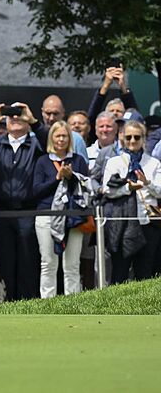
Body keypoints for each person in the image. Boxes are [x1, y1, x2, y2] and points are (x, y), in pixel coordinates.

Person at [0, 102, 44, 301]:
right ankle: (9, 300)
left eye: (19, 115)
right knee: (5, 259)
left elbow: (49, 140)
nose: (15, 118)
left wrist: (33, 120)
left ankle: (28, 300)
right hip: (1, 211)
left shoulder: (36, 144)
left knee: (28, 259)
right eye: (11, 116)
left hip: (28, 210)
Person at [32, 121, 89, 298]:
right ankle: (47, 302)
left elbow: (86, 187)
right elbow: (36, 191)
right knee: (48, 263)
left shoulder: (77, 160)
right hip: (47, 216)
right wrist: (57, 178)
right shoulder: (42, 161)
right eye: (58, 136)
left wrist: (71, 177)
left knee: (72, 263)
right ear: (52, 138)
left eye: (65, 136)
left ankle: (73, 301)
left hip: (72, 216)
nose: (61, 139)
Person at [102, 120, 161, 284]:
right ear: (123, 139)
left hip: (148, 222)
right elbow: (107, 190)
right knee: (120, 272)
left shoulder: (154, 163)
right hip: (123, 222)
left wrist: (147, 184)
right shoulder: (115, 162)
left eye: (137, 137)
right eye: (129, 137)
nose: (133, 141)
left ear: (143, 138)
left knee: (146, 272)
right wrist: (128, 188)